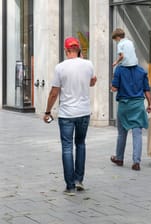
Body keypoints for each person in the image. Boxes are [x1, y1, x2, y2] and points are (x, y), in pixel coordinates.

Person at [43, 37, 97, 196]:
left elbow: (54, 92)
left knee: (67, 148)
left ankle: (70, 186)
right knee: (80, 144)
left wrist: (47, 111)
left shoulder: (60, 67)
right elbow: (93, 82)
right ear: (78, 49)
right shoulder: (88, 64)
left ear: (66, 51)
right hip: (84, 112)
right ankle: (79, 180)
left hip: (66, 113)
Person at [110, 65, 151, 171]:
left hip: (124, 105)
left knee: (121, 133)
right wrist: (150, 103)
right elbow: (146, 89)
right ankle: (136, 161)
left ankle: (119, 158)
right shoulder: (141, 70)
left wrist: (113, 79)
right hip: (138, 105)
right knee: (137, 133)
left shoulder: (119, 69)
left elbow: (114, 88)